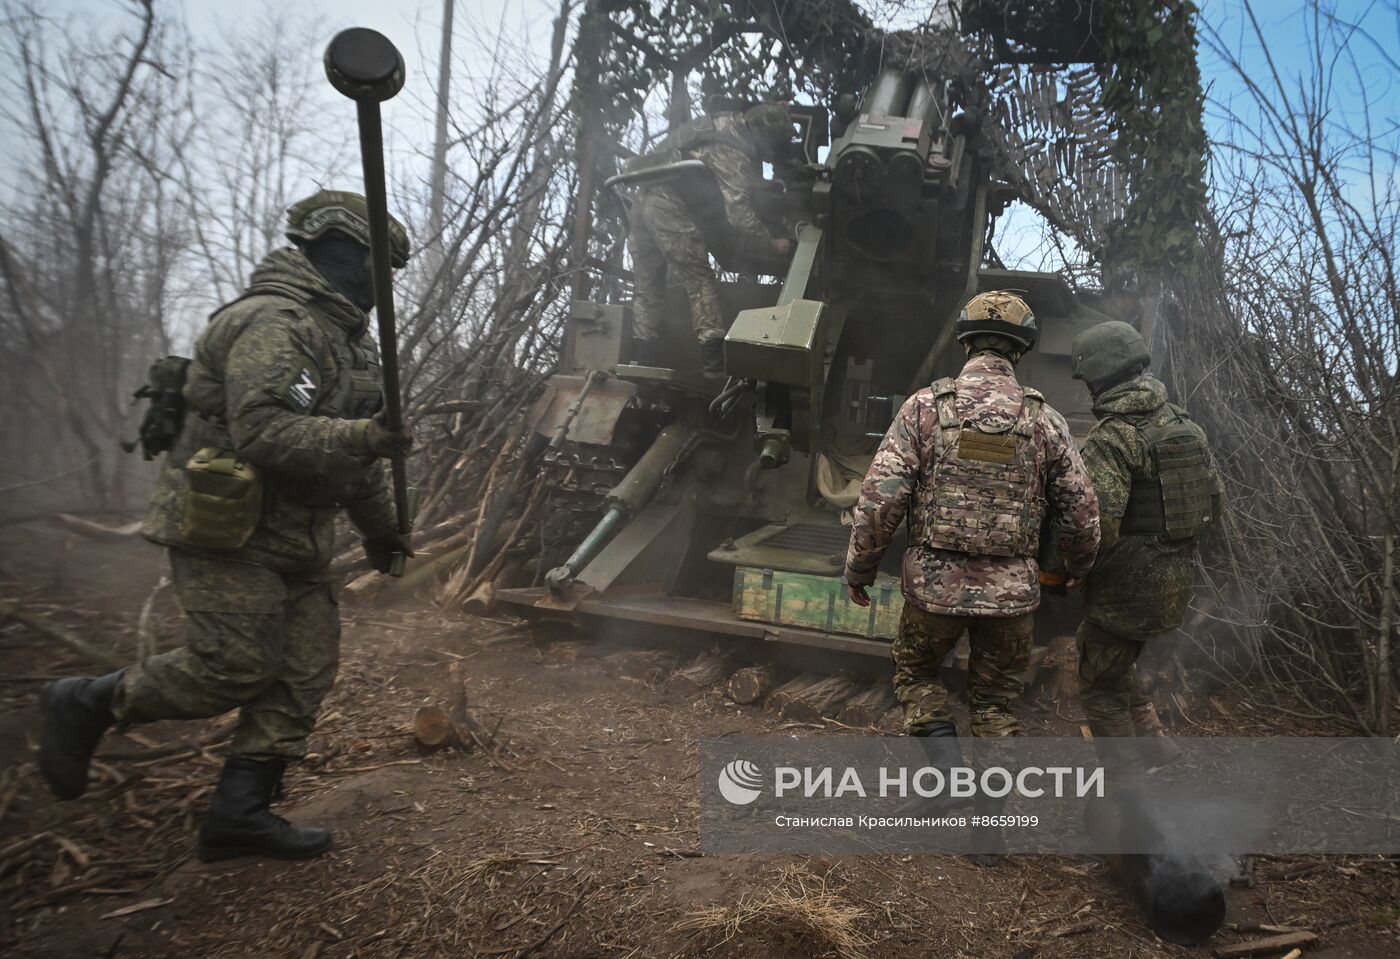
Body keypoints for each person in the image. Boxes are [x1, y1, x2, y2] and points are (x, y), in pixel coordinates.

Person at [38, 190, 415, 863]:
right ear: (355, 260)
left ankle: (240, 811)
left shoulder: (349, 346)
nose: (385, 288)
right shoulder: (277, 322)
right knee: (235, 665)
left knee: (302, 669)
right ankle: (89, 702)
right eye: (384, 270)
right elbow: (264, 428)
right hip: (229, 532)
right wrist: (365, 433)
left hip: (297, 539)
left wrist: (384, 530)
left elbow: (360, 462)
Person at [845, 291, 1100, 743]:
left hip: (934, 591)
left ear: (965, 343)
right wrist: (1077, 567)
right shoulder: (1046, 421)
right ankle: (989, 805)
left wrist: (860, 569)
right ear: (1021, 350)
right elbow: (1082, 511)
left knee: (918, 677)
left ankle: (946, 783)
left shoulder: (923, 408)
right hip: (1012, 596)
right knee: (995, 702)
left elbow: (880, 502)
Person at [1070, 320, 1224, 741]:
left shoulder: (1112, 436)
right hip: (1174, 584)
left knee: (1099, 680)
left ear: (1099, 377)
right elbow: (1216, 504)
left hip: (1124, 590)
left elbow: (1097, 526)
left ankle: (1127, 797)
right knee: (1115, 661)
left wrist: (1065, 572)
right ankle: (1155, 746)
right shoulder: (1186, 426)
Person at [627, 102, 796, 377]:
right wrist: (772, 242)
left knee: (647, 285)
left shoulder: (721, 123)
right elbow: (739, 213)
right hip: (669, 205)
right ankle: (714, 363)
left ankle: (641, 358)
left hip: (643, 199)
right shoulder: (735, 149)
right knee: (699, 280)